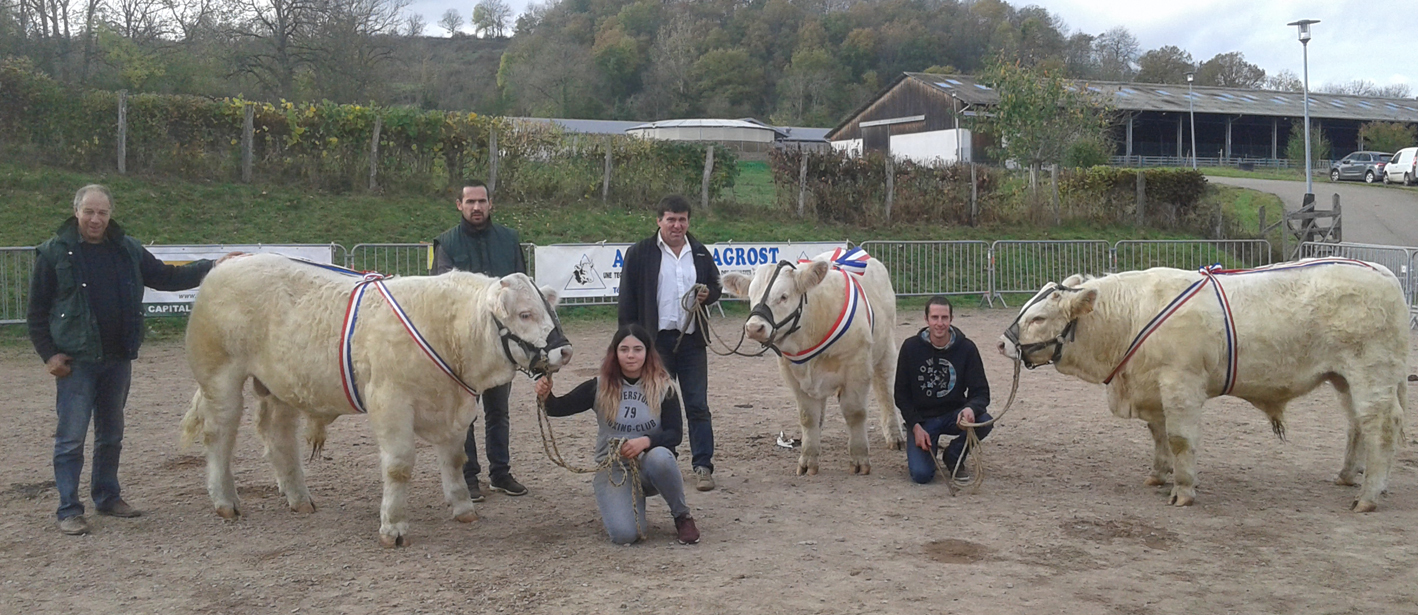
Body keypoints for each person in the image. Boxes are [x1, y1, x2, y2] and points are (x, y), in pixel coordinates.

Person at [28, 184, 237, 536]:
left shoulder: (126, 249)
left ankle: (107, 497)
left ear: (111, 214)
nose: (96, 219)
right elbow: (36, 312)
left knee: (111, 435)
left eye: (103, 213)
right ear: (76, 211)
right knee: (71, 438)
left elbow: (167, 276)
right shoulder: (53, 254)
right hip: (76, 363)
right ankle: (69, 508)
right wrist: (49, 355)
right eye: (89, 212)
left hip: (117, 359)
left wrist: (212, 266)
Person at [534, 324, 700, 545]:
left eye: (637, 349)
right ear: (615, 353)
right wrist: (546, 395)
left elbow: (675, 434)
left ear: (648, 352)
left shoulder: (664, 387)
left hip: (650, 466)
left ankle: (682, 516)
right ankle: (626, 500)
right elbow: (558, 408)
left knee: (661, 457)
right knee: (625, 536)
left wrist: (645, 441)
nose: (631, 355)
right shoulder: (599, 386)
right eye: (624, 349)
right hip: (614, 469)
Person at [616, 195, 722, 491]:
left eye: (682, 219)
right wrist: (629, 342)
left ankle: (703, 465)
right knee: (660, 405)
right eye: (671, 219)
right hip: (656, 342)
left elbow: (715, 286)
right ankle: (664, 462)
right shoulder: (640, 253)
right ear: (659, 220)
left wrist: (708, 296)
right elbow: (627, 301)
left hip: (692, 341)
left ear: (689, 221)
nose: (677, 225)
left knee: (697, 404)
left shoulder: (699, 253)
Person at [433, 178, 529, 501]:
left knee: (499, 412)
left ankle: (500, 473)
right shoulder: (446, 243)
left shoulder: (509, 240)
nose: (477, 207)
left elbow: (522, 289)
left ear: (491, 204)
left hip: (501, 347)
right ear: (459, 205)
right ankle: (469, 476)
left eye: (482, 201)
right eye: (470, 202)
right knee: (466, 414)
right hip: (465, 349)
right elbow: (443, 294)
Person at [894, 296, 993, 484]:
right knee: (921, 476)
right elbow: (901, 395)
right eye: (935, 317)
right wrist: (915, 426)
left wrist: (970, 409)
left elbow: (981, 392)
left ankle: (954, 455)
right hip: (923, 420)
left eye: (944, 318)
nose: (940, 323)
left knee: (984, 421)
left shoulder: (967, 348)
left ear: (951, 319)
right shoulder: (910, 348)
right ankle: (922, 445)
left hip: (954, 415)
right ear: (926, 320)